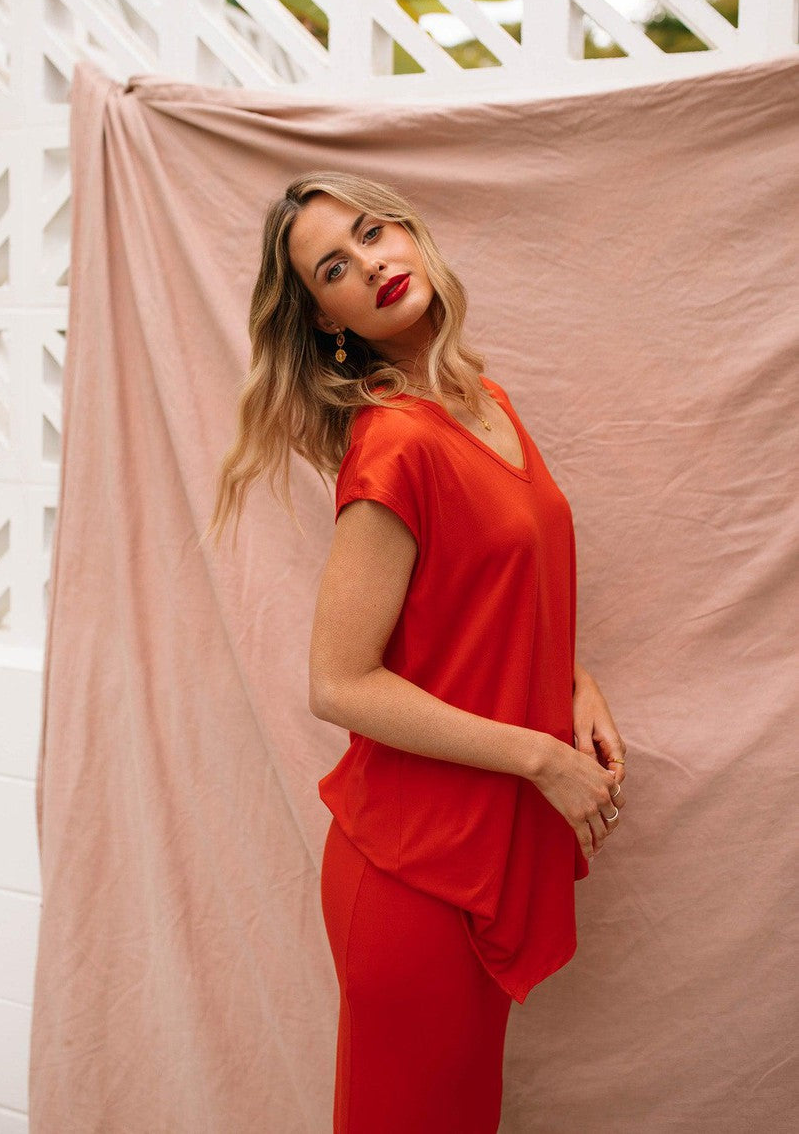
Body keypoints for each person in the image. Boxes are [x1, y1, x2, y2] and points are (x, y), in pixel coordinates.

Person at [206, 170, 627, 1133]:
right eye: (336, 268)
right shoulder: (396, 441)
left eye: (371, 232)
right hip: (412, 872)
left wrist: (575, 681)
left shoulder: (487, 402)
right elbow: (337, 682)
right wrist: (541, 757)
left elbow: (495, 598)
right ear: (328, 321)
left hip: (478, 850)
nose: (373, 264)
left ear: (408, 229)